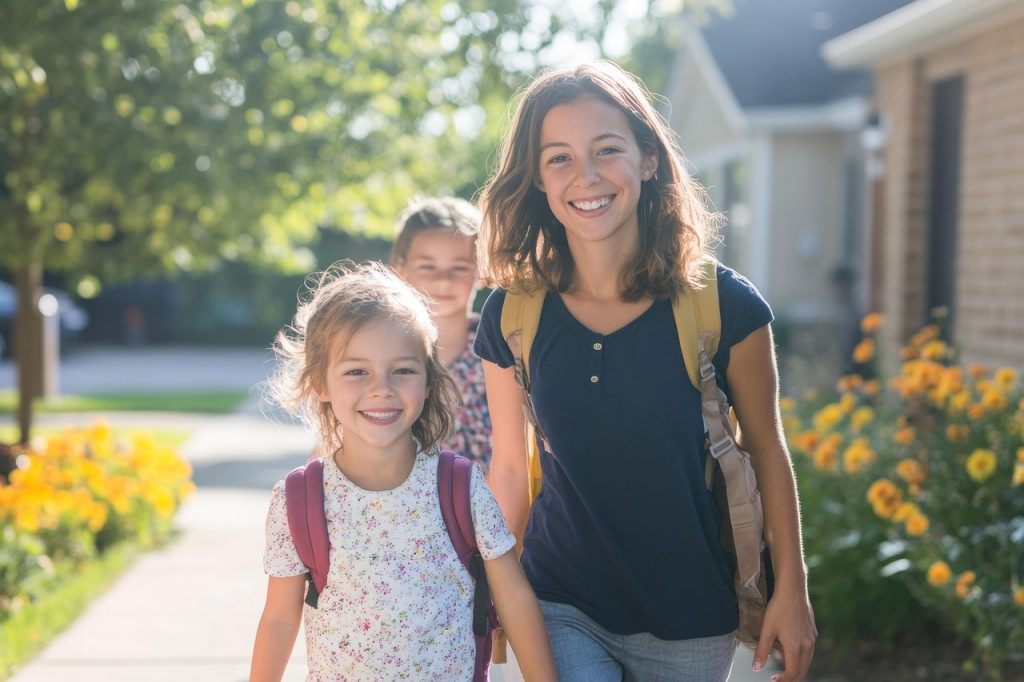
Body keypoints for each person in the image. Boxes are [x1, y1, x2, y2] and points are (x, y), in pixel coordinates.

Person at [474, 60, 817, 682]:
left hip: (692, 615)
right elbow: (508, 469)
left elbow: (768, 452)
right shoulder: (513, 312)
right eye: (559, 158)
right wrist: (486, 586)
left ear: (648, 159)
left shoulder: (725, 306)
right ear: (538, 180)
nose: (586, 176)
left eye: (607, 149)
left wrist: (792, 591)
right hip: (560, 600)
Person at [249, 261, 556, 681]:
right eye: (357, 371)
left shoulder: (461, 487)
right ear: (320, 383)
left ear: (428, 381)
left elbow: (515, 600)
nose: (382, 389)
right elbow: (280, 620)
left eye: (403, 370)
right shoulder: (299, 499)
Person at [391, 196, 492, 471]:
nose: (443, 279)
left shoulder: (500, 350)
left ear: (482, 271)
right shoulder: (384, 353)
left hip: (489, 503)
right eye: (428, 266)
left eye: (459, 267)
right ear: (400, 271)